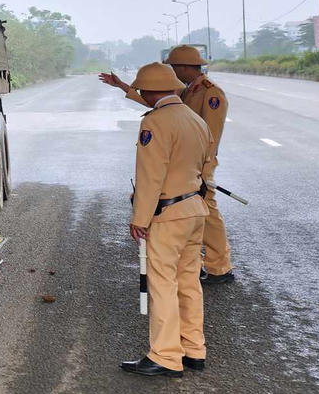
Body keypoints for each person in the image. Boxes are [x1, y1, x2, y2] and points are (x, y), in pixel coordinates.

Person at [99, 44, 233, 284]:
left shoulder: (211, 93)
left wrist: (203, 172)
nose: (171, 71)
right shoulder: (188, 90)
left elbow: (210, 136)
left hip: (197, 165)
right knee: (200, 215)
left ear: (184, 67)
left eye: (173, 66)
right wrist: (122, 86)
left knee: (208, 215)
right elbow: (159, 102)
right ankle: (202, 264)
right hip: (184, 162)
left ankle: (220, 267)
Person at [121, 62, 213, 378]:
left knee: (162, 284)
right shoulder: (196, 119)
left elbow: (150, 175)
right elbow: (207, 165)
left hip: (167, 214)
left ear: (147, 92)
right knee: (189, 282)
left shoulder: (156, 123)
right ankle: (193, 349)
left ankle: (164, 356)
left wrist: (140, 218)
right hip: (195, 210)